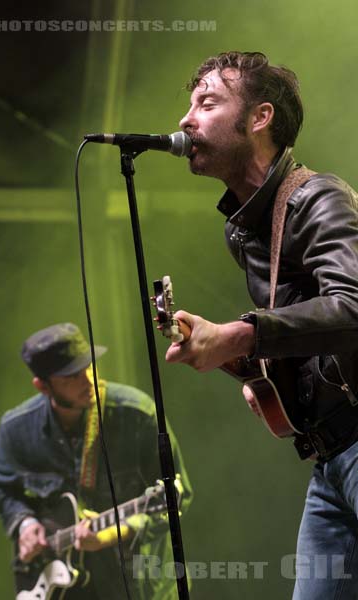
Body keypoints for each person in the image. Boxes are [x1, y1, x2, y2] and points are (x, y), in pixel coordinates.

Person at [165, 51, 358, 599]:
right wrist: (239, 361)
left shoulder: (318, 197)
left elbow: (352, 308)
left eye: (207, 102)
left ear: (259, 118)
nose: (186, 119)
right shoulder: (246, 232)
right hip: (330, 461)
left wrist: (243, 331)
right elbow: (302, 341)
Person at [0, 322, 192, 599]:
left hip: (138, 584)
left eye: (87, 366)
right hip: (66, 591)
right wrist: (24, 523)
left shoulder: (138, 414)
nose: (87, 381)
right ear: (42, 386)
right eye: (70, 377)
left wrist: (117, 533)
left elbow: (179, 495)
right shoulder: (16, 429)